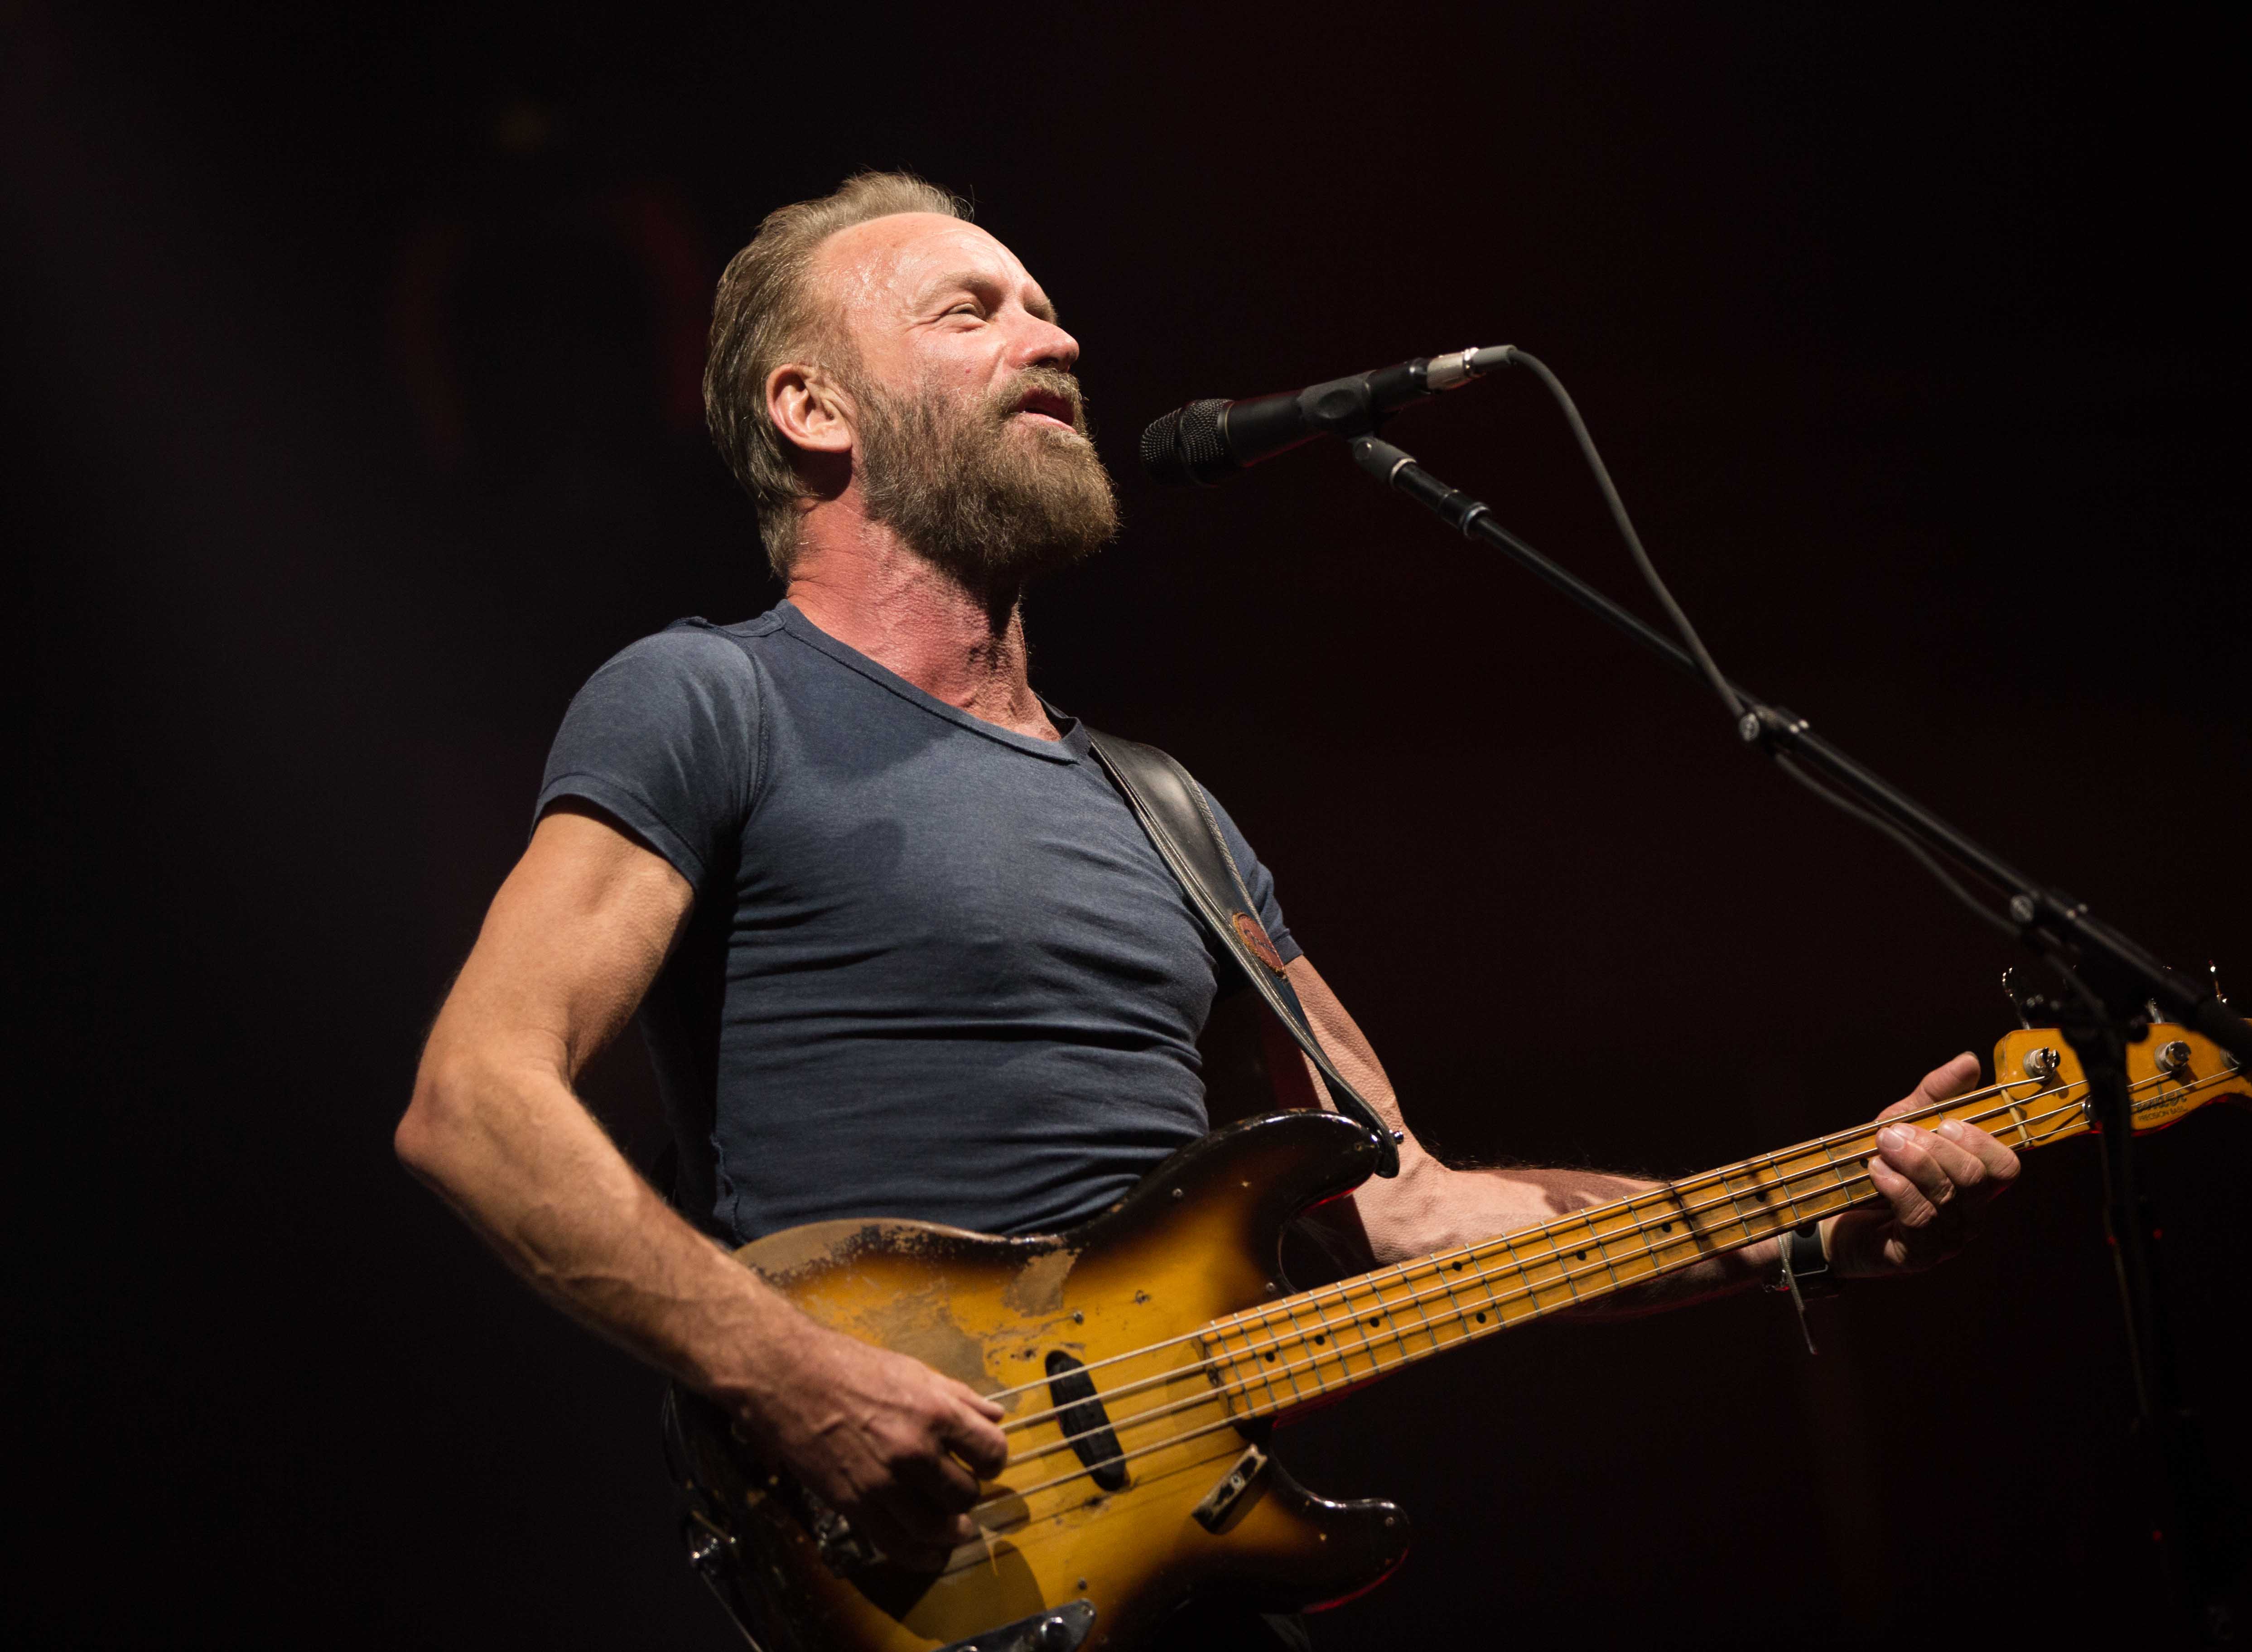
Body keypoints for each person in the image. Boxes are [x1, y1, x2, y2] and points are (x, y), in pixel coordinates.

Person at [394, 172, 2019, 1642]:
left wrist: (1812, 1226)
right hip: (918, 1572)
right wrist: (790, 1374)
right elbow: (477, 1101)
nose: (1055, 337)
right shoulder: (710, 699)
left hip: (1180, 1587)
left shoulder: (1165, 811)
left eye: (1046, 307)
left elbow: (1410, 1212)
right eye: (973, 310)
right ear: (814, 406)